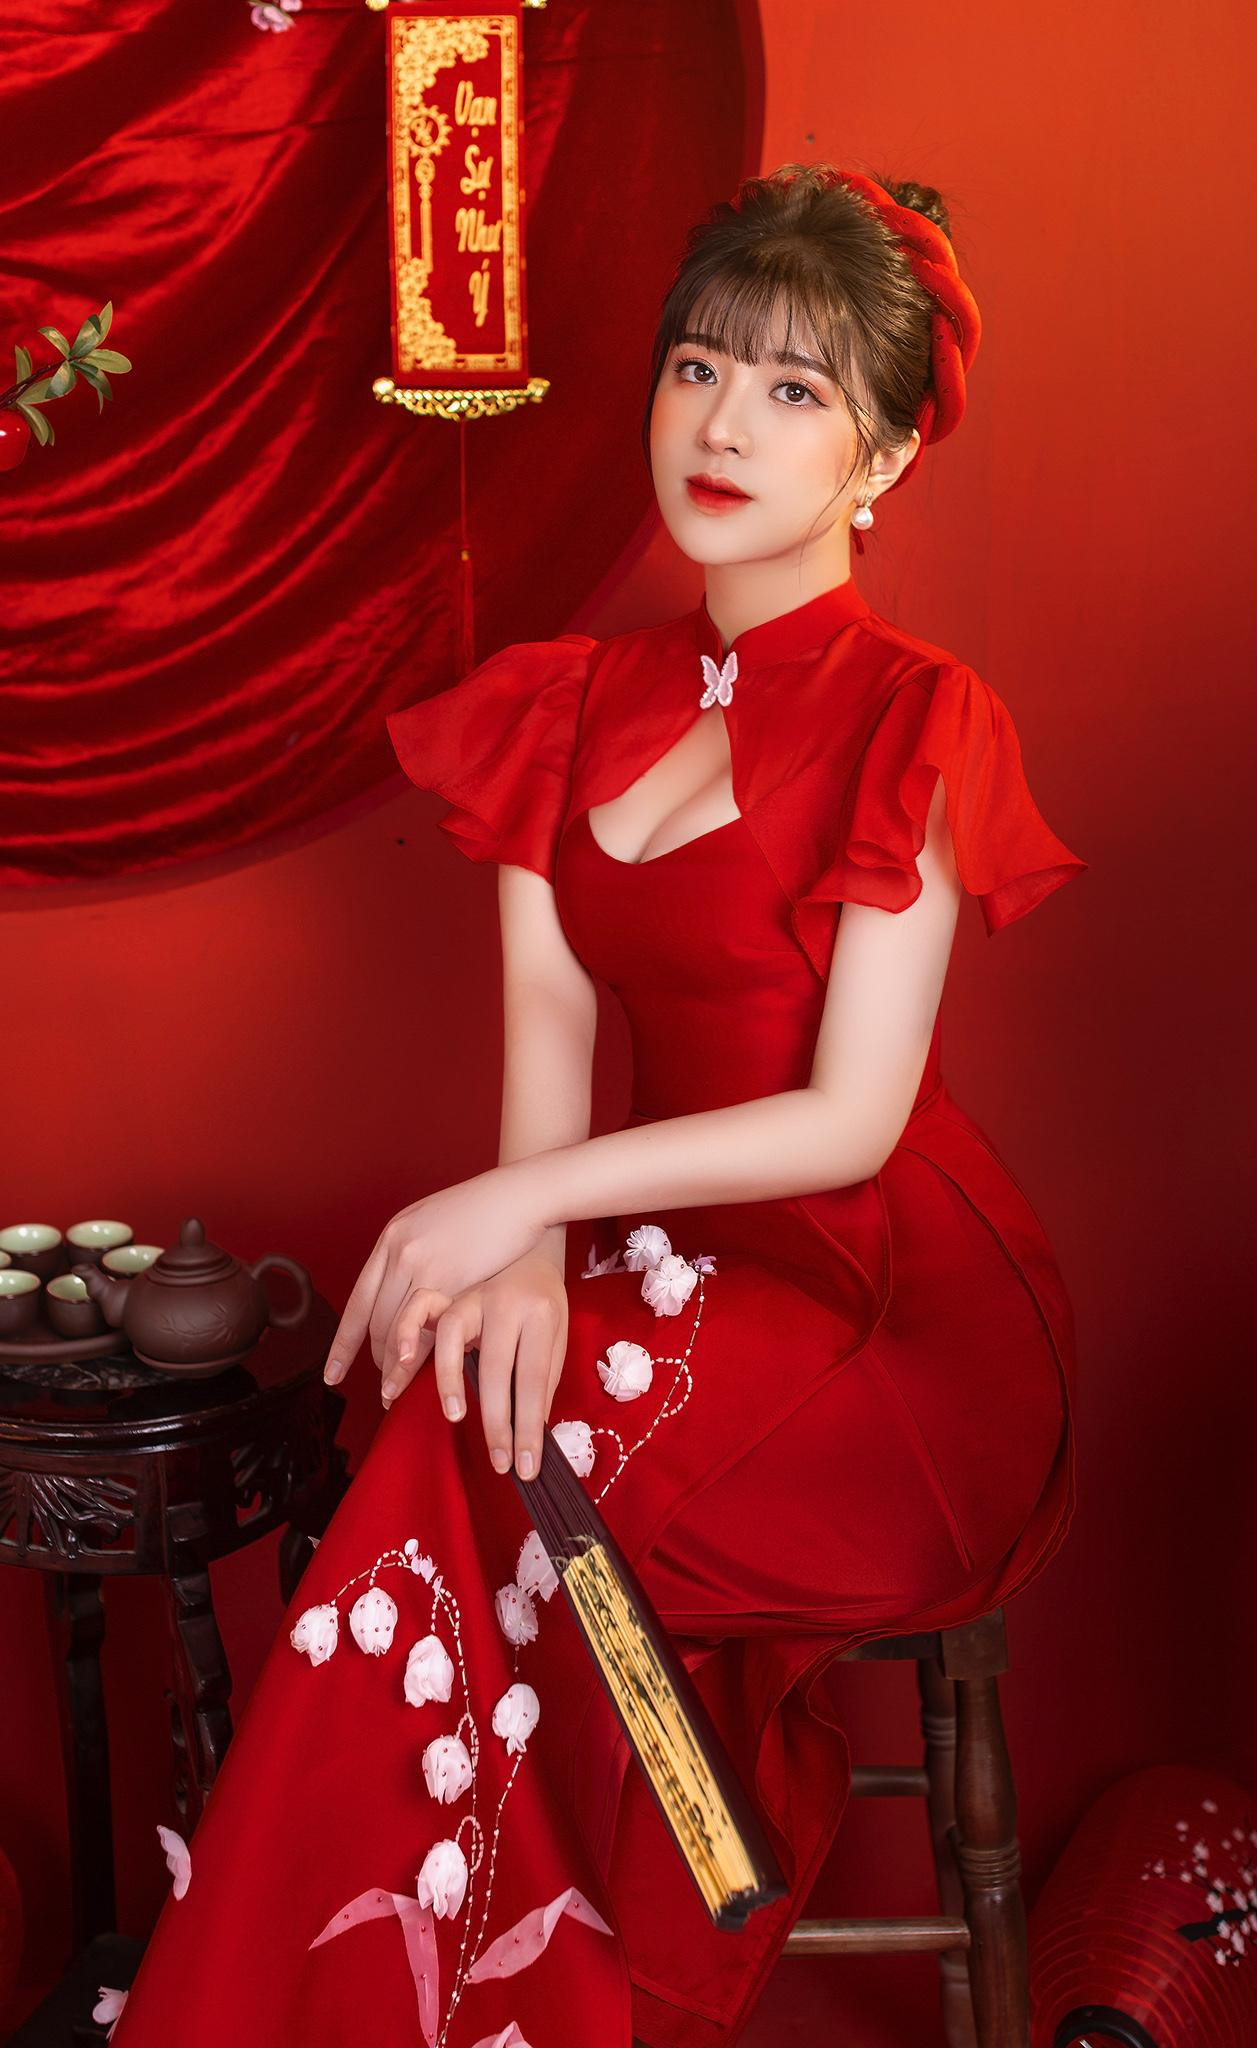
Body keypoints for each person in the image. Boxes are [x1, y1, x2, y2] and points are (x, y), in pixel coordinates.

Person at [111, 163, 1087, 2048]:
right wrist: (520, 1256)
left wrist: (516, 1215)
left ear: (882, 457)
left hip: (889, 1319)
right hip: (672, 1270)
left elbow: (850, 1120)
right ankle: (422, 1975)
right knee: (465, 1394)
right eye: (698, 368)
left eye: (793, 391)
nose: (722, 425)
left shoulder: (916, 713)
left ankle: (376, 1990)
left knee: (506, 1441)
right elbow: (545, 1065)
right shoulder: (562, 706)